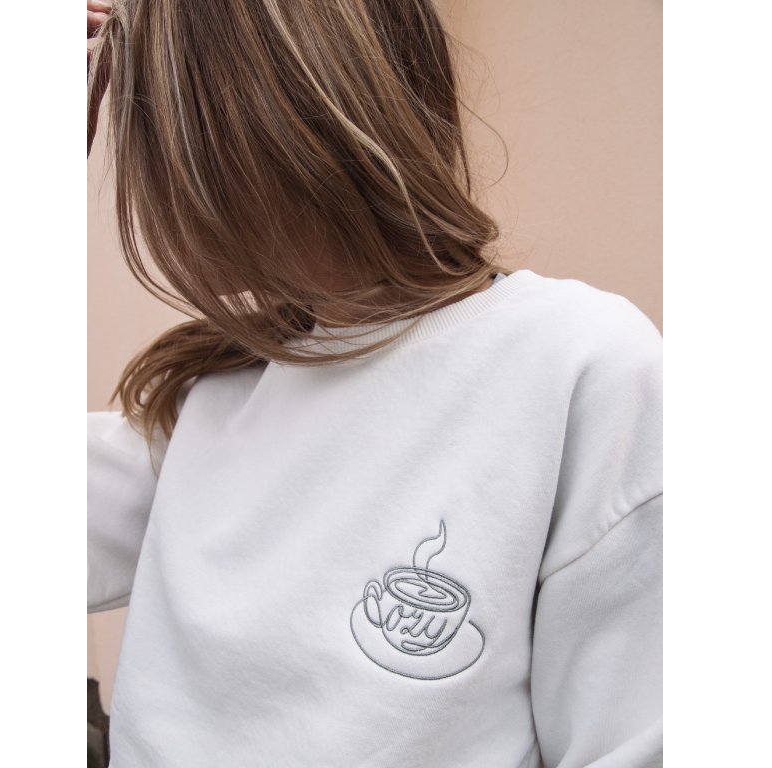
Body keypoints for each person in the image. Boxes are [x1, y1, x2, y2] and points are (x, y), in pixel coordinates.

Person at [86, 1, 662, 766]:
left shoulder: (580, 366)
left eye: (151, 134)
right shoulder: (205, 396)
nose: (143, 180)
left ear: (258, 126)